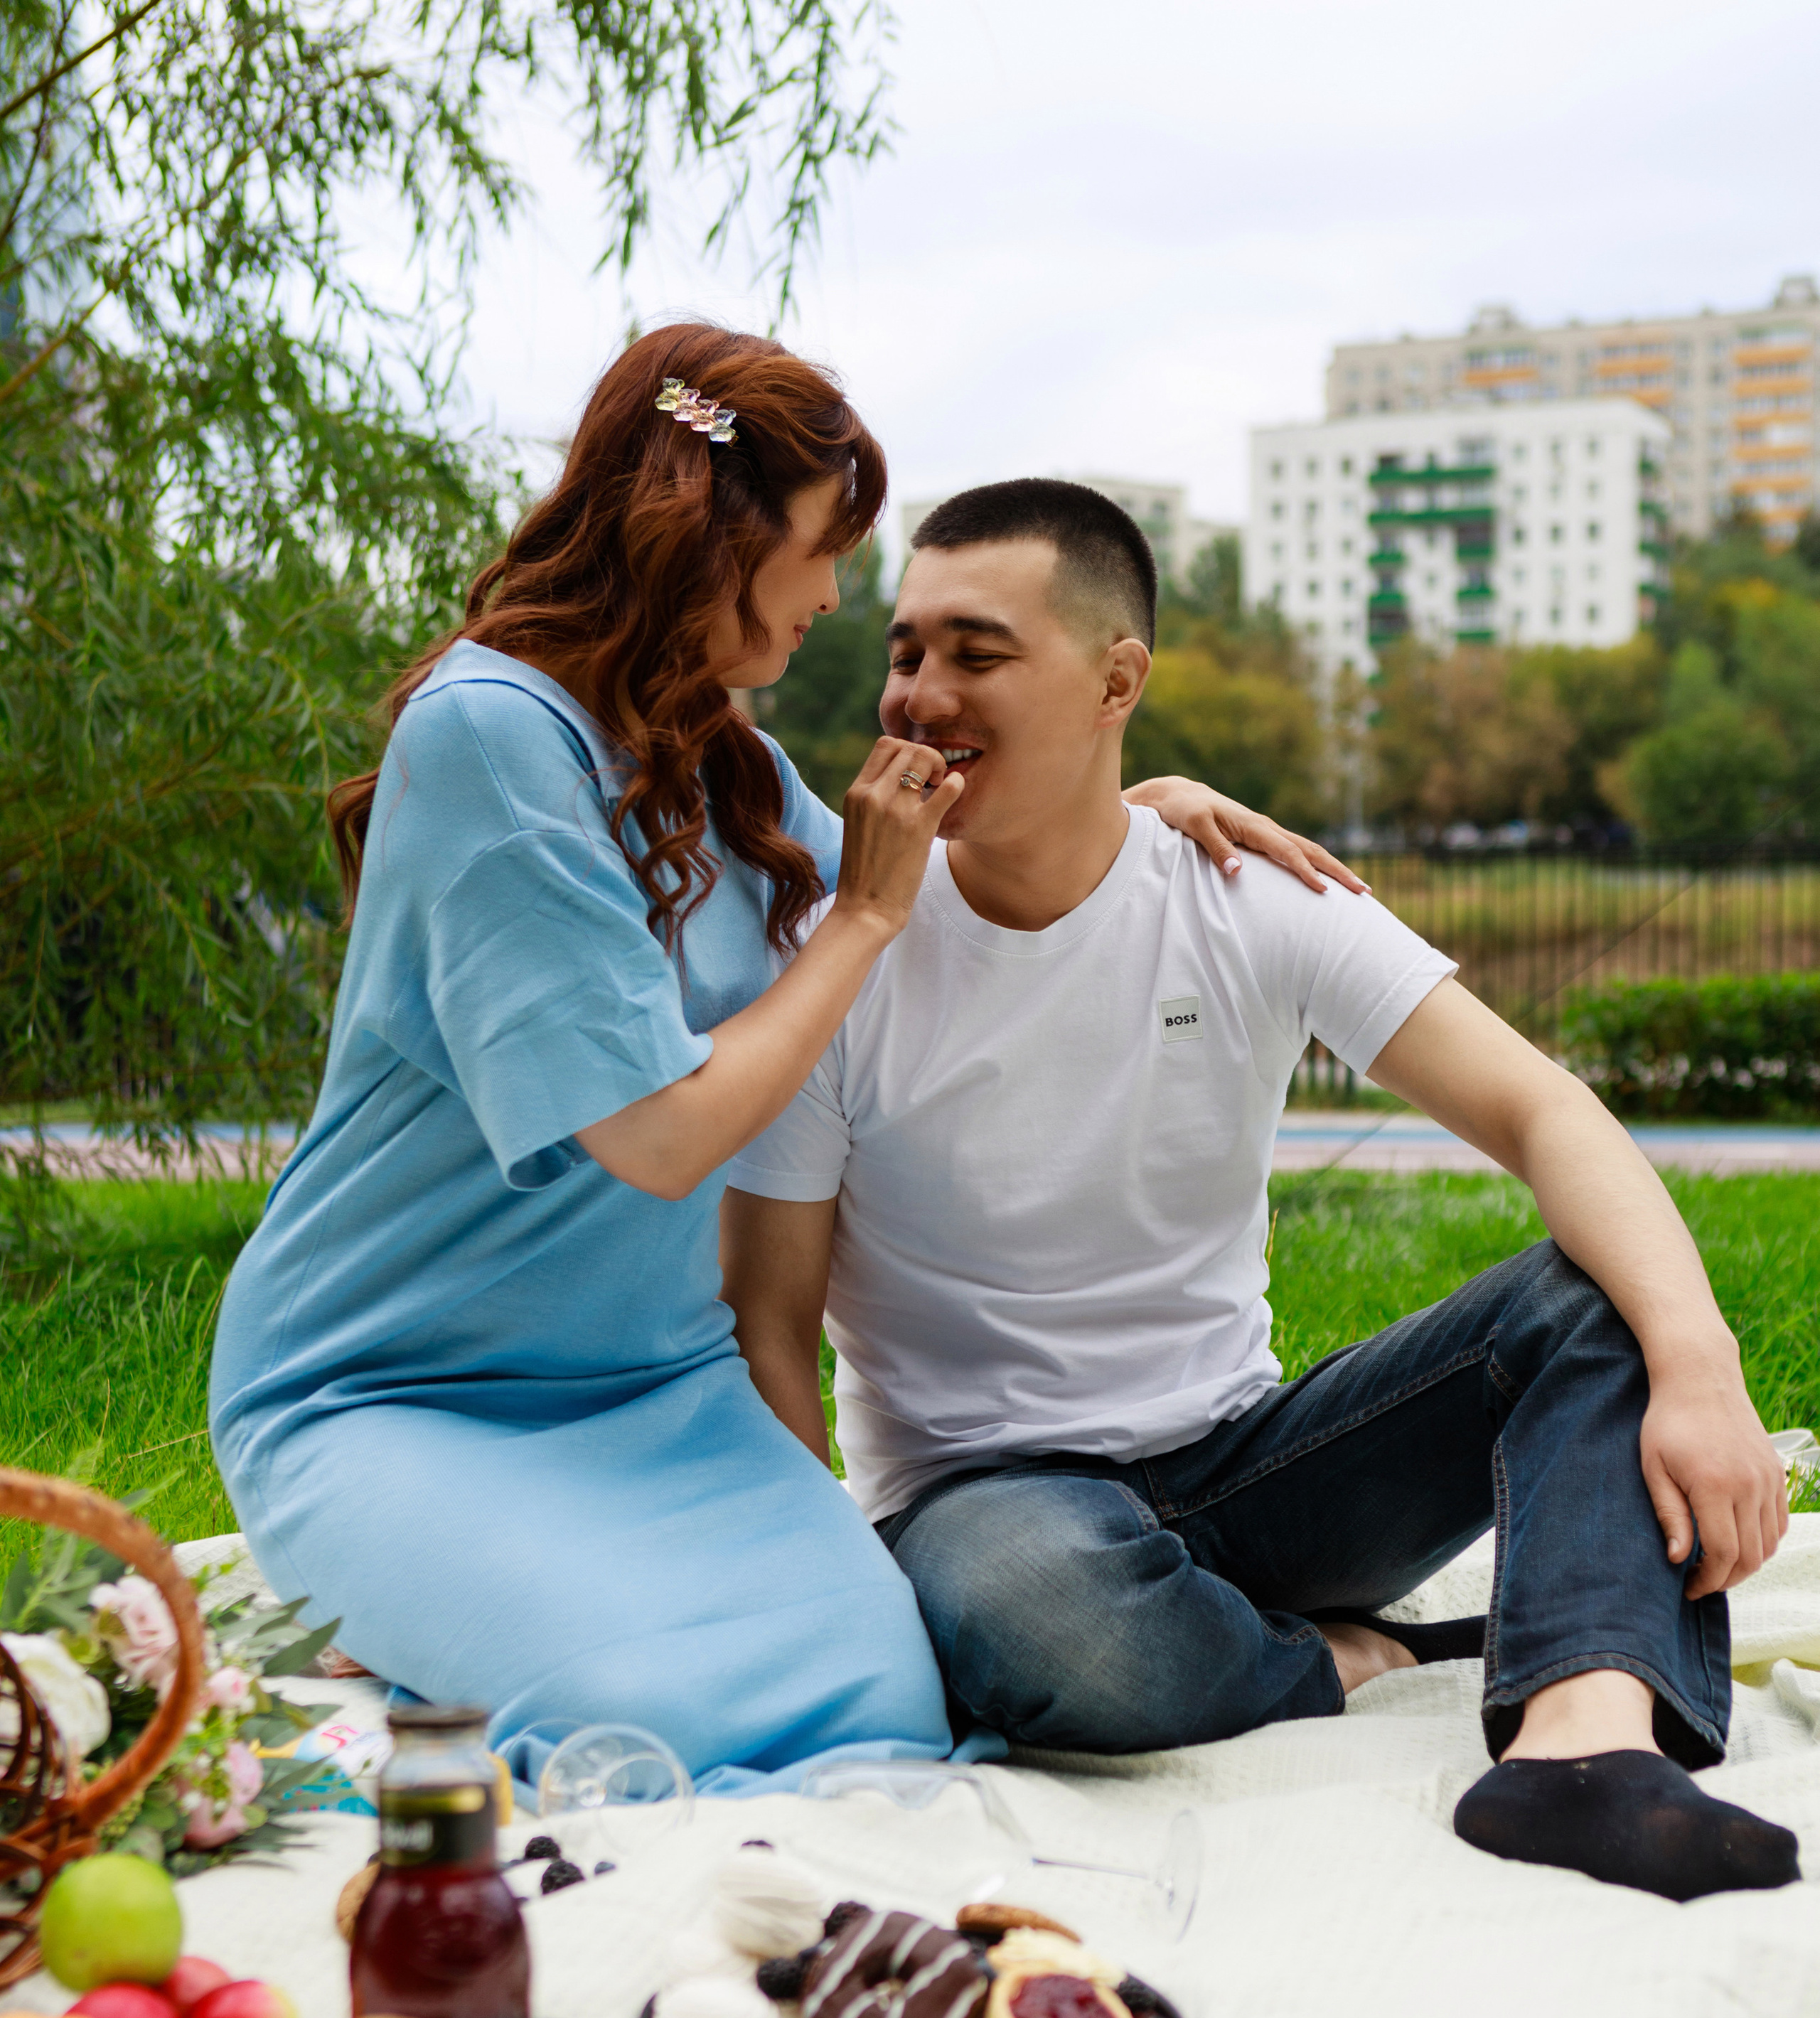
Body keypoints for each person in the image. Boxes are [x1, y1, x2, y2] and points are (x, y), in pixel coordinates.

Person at [208, 332, 1344, 1786]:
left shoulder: (723, 766)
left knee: (887, 1698)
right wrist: (858, 919)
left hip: (658, 1390)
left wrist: (1138, 804)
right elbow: (664, 1134)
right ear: (717, 534)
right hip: (389, 1387)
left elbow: (949, 862)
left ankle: (445, 1607)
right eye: (823, 551)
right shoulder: (489, 735)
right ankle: (413, 1581)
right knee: (651, 1720)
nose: (834, 598)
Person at [721, 478, 1799, 1897]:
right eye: (905, 650)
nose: (918, 695)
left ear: (1117, 683)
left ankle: (1581, 1747)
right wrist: (832, 1612)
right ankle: (1343, 1662)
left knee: (1595, 1299)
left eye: (976, 653)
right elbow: (769, 1326)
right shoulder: (839, 952)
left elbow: (1543, 1110)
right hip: (994, 1510)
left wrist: (1701, 1366)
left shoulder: (1240, 890)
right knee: (1025, 1603)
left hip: (1254, 1467)